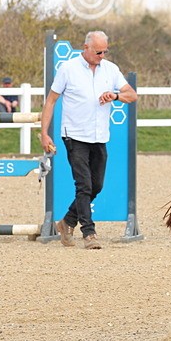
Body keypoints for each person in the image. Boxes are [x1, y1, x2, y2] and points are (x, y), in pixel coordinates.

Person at [39, 31, 137, 250]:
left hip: (99, 135)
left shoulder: (111, 70)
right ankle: (89, 233)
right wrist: (45, 133)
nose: (102, 55)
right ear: (86, 48)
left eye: (105, 51)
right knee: (83, 185)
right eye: (98, 51)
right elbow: (51, 101)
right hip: (73, 135)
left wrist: (116, 96)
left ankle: (67, 222)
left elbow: (132, 95)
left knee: (97, 185)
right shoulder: (68, 69)